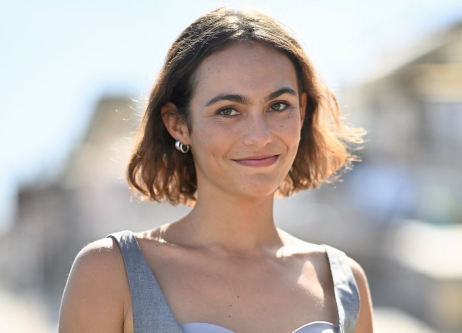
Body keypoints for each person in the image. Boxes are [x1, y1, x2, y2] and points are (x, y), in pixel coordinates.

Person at [58, 6, 374, 333]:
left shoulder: (344, 284)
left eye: (278, 106)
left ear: (302, 110)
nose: (260, 136)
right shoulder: (110, 272)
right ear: (178, 124)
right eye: (228, 111)